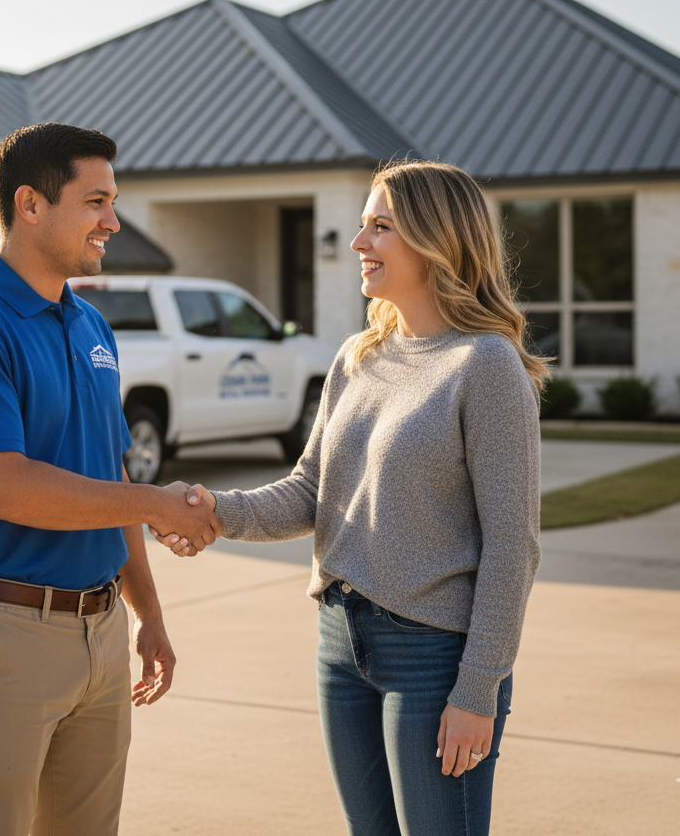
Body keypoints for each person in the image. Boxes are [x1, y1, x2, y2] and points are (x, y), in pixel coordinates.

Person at [153, 160, 547, 836]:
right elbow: (312, 490)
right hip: (340, 641)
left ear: (436, 239)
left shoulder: (485, 364)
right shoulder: (359, 357)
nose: (359, 243)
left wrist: (478, 688)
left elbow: (513, 544)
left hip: (432, 656)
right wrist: (213, 511)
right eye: (362, 226)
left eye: (380, 227)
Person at [0, 123, 219, 836]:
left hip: (101, 632)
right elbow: (4, 487)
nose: (112, 220)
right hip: (3, 634)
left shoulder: (91, 326)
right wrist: (158, 503)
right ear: (30, 204)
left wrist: (148, 615)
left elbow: (105, 477)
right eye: (96, 201)